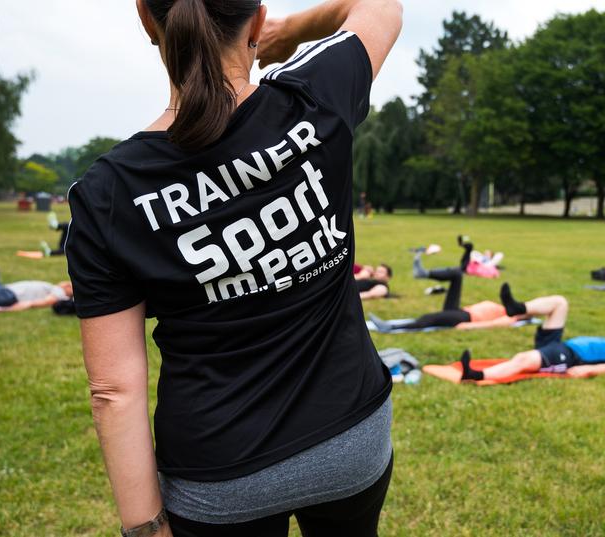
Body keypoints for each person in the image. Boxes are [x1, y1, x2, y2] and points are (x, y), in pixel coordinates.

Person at [64, 1, 402, 536]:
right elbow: (379, 6)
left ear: (147, 20)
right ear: (257, 18)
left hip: (219, 475)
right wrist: (292, 31)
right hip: (351, 442)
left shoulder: (108, 193)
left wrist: (146, 529)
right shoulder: (314, 93)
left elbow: (115, 390)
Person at [458, 284, 605, 381]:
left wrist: (589, 370)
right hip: (560, 345)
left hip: (568, 357)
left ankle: (476, 375)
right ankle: (517, 308)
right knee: (560, 302)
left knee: (524, 359)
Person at [368, 255, 523, 331]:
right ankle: (424, 273)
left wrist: (467, 326)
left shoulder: (510, 317)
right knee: (457, 275)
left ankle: (390, 327)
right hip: (461, 311)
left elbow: (491, 324)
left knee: (432, 318)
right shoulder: (507, 308)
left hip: (466, 319)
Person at [0, 248, 73, 310]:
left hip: (8, 295)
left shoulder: (60, 293)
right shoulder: (53, 288)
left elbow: (48, 301)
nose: (67, 283)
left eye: (70, 284)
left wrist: (28, 305)